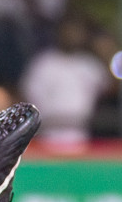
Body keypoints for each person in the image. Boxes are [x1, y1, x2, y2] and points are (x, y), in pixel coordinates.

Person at [19, 16, 108, 147]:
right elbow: (27, 97)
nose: (72, 35)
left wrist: (105, 52)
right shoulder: (44, 63)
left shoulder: (90, 65)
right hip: (47, 136)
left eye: (77, 31)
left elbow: (111, 89)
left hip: (81, 136)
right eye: (69, 30)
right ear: (60, 32)